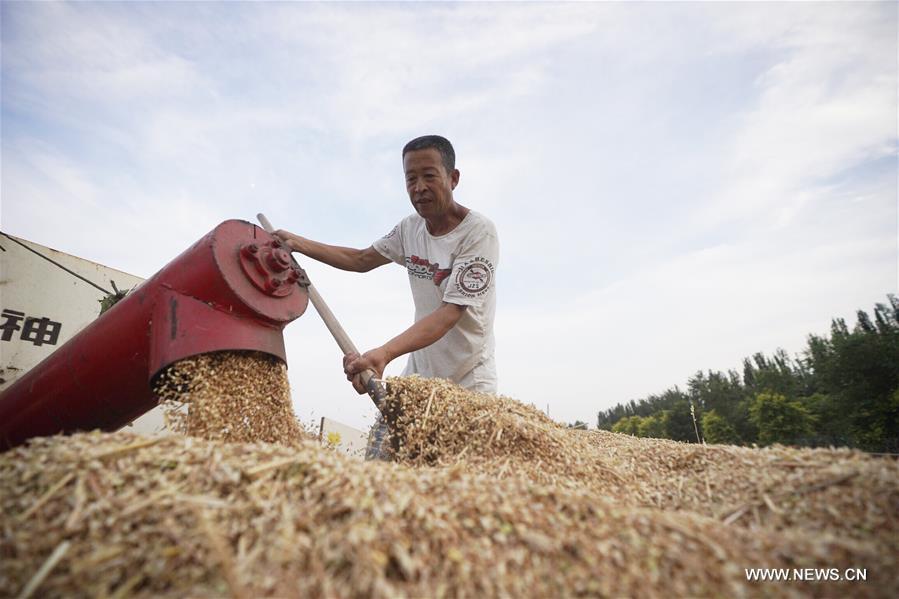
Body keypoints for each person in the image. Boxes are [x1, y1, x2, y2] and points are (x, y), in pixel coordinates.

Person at [274, 135, 498, 457]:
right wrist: (298, 243)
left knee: (453, 483)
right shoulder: (410, 229)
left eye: (429, 176)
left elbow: (450, 314)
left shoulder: (478, 233)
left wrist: (383, 353)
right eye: (410, 178)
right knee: (380, 467)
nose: (419, 187)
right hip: (419, 379)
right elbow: (361, 259)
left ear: (453, 178)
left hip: (468, 383)